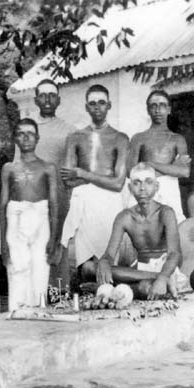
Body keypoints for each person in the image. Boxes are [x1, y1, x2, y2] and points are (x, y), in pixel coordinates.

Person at [82, 163, 187, 300]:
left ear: (156, 187)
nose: (143, 188)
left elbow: (175, 254)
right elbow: (109, 254)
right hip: (139, 271)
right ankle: (131, 287)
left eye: (148, 182)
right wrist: (104, 261)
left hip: (166, 270)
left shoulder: (166, 213)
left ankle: (117, 289)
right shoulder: (124, 217)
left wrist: (163, 277)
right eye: (137, 183)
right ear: (130, 188)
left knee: (145, 288)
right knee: (88, 267)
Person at [59, 84, 129, 274]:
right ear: (86, 107)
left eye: (101, 103)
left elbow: (118, 184)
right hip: (85, 205)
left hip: (110, 207)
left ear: (109, 105)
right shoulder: (75, 137)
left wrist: (82, 174)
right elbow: (68, 181)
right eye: (92, 104)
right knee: (86, 267)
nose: (97, 107)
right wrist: (103, 180)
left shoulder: (120, 139)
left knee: (110, 263)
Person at [15, 79, 76, 289]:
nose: (47, 100)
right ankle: (33, 300)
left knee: (57, 248)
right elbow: (18, 166)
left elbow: (73, 169)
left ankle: (59, 298)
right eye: (43, 95)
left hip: (58, 199)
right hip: (30, 199)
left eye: (52, 95)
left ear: (58, 100)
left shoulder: (69, 130)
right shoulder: (27, 129)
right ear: (36, 99)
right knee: (31, 249)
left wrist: (68, 195)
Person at [0, 119, 59, 310]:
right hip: (15, 220)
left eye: (30, 133)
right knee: (17, 269)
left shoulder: (48, 167)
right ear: (15, 138)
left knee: (40, 270)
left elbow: (54, 204)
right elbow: (3, 204)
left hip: (41, 220)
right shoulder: (9, 168)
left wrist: (54, 239)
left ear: (38, 138)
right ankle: (17, 316)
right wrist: (2, 242)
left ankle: (37, 316)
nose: (26, 137)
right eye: (21, 133)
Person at [125, 90, 190, 223]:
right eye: (153, 105)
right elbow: (130, 171)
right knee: (140, 229)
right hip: (143, 190)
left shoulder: (177, 139)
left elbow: (184, 171)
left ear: (169, 109)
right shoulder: (139, 138)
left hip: (168, 191)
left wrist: (149, 164)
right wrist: (171, 168)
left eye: (162, 105)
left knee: (171, 228)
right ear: (148, 110)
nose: (158, 109)